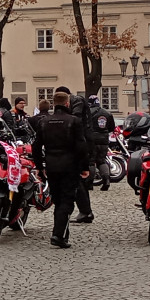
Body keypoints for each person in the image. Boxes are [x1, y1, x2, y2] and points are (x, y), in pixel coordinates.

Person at [32, 91, 90, 248]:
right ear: (67, 103)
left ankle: (62, 234)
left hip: (51, 165)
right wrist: (84, 167)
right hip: (69, 166)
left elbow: (36, 147)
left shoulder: (44, 122)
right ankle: (58, 235)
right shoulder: (74, 121)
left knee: (58, 201)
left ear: (54, 103)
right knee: (67, 201)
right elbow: (81, 146)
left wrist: (39, 166)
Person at [56, 85, 96, 223]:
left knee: (78, 178)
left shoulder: (76, 100)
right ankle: (85, 211)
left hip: (82, 141)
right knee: (78, 179)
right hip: (82, 140)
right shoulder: (76, 101)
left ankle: (86, 211)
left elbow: (76, 118)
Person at [88, 94, 116, 191]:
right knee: (101, 160)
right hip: (104, 139)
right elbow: (112, 127)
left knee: (91, 161)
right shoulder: (107, 113)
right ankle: (106, 180)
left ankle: (89, 183)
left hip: (91, 139)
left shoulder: (88, 113)